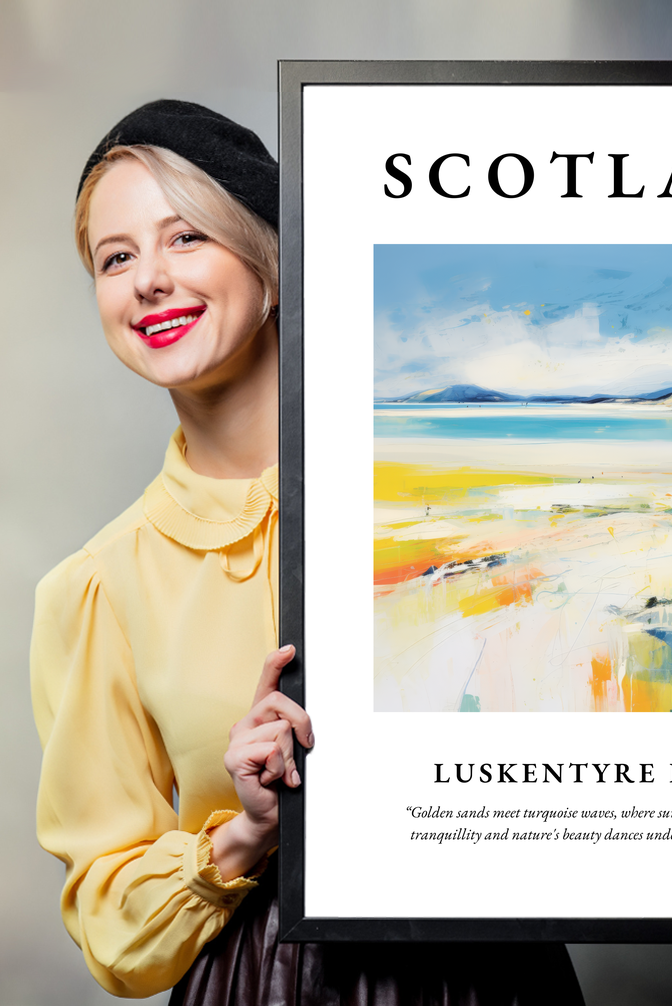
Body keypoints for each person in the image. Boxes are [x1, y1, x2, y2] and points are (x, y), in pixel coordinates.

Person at [30, 100, 585, 1004]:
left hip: (491, 973)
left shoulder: (453, 497)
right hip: (262, 982)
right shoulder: (97, 587)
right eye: (116, 257)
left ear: (273, 264)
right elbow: (110, 923)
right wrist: (245, 832)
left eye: (186, 239)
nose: (148, 281)